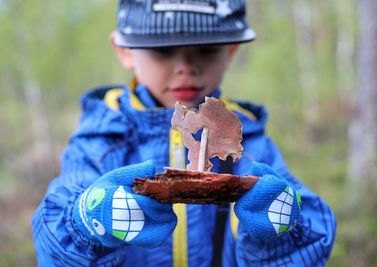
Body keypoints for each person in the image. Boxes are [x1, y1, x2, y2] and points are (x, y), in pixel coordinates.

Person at [32, 0, 336, 266]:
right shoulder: (102, 138)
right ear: (125, 51)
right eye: (164, 50)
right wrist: (86, 222)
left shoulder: (247, 140)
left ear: (229, 52)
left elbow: (309, 233)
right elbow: (52, 239)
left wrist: (281, 235)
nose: (187, 66)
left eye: (206, 49)